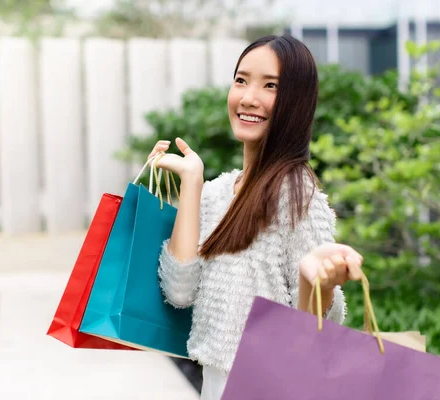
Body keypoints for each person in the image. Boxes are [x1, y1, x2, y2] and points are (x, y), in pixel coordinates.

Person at [149, 35, 364, 400]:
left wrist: (322, 284)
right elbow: (179, 292)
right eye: (241, 80)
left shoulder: (297, 196)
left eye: (270, 86)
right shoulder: (218, 192)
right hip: (215, 385)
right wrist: (191, 182)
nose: (249, 97)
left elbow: (319, 328)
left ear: (295, 102)